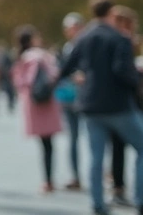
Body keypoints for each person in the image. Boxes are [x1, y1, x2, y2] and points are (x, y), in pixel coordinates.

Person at [58, 0, 143, 215]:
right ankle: (140, 197)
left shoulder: (83, 38)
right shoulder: (119, 38)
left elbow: (66, 67)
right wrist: (136, 81)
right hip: (117, 104)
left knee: (96, 156)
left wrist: (81, 77)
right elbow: (121, 70)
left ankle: (97, 202)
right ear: (111, 11)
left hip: (90, 103)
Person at [11, 25, 63, 193]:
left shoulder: (21, 58)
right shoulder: (40, 56)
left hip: (32, 103)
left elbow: (20, 81)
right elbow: (53, 74)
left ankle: (46, 180)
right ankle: (49, 179)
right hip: (46, 101)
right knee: (49, 144)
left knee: (43, 143)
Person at [108, 5, 142, 208]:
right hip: (126, 101)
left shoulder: (112, 40)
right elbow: (122, 70)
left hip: (114, 101)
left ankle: (118, 187)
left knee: (117, 147)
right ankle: (127, 190)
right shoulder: (122, 41)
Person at [57, 11, 86, 191]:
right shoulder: (67, 48)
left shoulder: (88, 44)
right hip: (70, 97)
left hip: (88, 97)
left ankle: (106, 173)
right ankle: (75, 175)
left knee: (96, 138)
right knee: (73, 138)